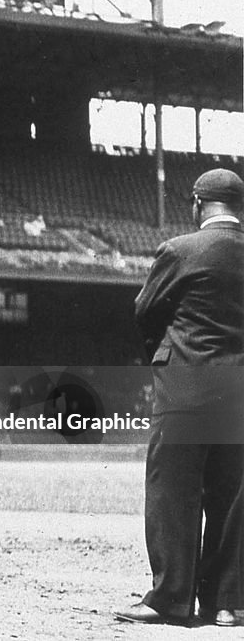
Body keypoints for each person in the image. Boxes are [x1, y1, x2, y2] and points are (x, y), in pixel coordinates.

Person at [116, 169, 244, 627]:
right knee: (232, 496)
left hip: (185, 385)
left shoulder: (180, 250)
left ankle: (171, 600)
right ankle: (227, 603)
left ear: (197, 204)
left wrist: (167, 355)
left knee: (173, 490)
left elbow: (146, 311)